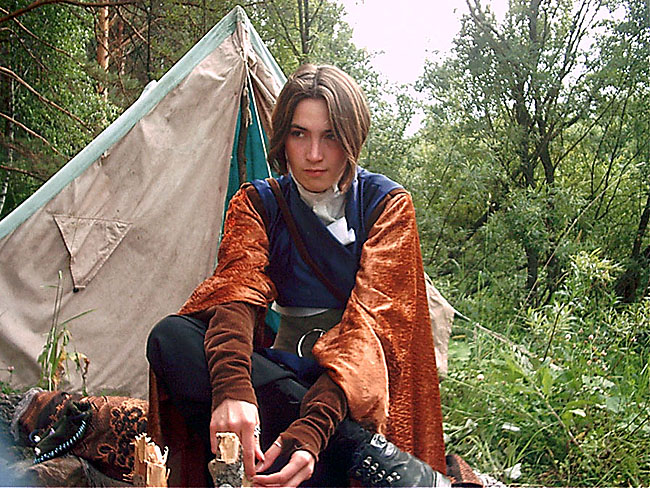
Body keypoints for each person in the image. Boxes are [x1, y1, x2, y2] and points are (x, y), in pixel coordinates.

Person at [146, 64, 448, 487]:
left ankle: (348, 454)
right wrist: (233, 389)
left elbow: (370, 333)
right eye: (299, 134)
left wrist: (314, 429)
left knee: (333, 419)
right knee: (172, 337)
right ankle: (297, 455)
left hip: (347, 398)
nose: (314, 154)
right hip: (284, 382)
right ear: (282, 138)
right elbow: (236, 294)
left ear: (352, 138)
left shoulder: (386, 205)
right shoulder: (259, 203)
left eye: (330, 136)